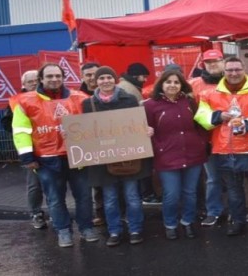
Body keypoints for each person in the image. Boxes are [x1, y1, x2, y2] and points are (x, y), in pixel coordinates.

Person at [11, 63, 99, 247]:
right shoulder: (25, 102)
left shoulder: (80, 98)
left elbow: (95, 124)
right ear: (41, 79)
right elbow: (20, 131)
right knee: (55, 198)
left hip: (78, 158)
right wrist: (28, 157)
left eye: (58, 76)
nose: (54, 79)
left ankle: (86, 227)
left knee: (83, 196)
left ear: (63, 77)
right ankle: (63, 230)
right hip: (46, 160)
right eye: (49, 76)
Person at [195, 57, 248, 236]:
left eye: (237, 70)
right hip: (224, 150)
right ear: (224, 72)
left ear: (244, 70)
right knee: (233, 190)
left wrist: (247, 124)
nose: (233, 73)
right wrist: (217, 116)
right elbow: (201, 115)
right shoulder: (208, 93)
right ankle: (238, 221)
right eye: (230, 70)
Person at [82, 66, 152, 247]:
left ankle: (135, 229)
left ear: (115, 79)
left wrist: (146, 130)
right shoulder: (88, 104)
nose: (106, 81)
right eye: (101, 78)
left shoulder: (128, 99)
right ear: (96, 82)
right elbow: (85, 132)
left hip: (128, 158)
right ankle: (114, 231)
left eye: (109, 77)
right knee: (110, 200)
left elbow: (138, 124)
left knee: (132, 197)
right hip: (103, 161)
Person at [145, 69, 209, 240]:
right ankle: (170, 224)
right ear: (161, 84)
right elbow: (146, 131)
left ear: (181, 85)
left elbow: (201, 125)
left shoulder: (190, 102)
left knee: (190, 192)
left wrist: (201, 143)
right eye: (168, 82)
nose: (172, 85)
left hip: (193, 154)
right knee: (171, 194)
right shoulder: (150, 105)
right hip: (166, 157)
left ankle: (187, 221)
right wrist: (153, 143)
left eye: (176, 82)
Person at [1, 70, 46, 230]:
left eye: (36, 80)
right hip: (30, 148)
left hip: (49, 146)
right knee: (34, 184)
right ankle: (36, 213)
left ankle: (56, 212)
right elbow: (7, 123)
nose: (34, 83)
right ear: (23, 85)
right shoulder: (16, 102)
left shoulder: (48, 97)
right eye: (30, 81)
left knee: (54, 183)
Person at [189, 49, 227, 227]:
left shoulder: (235, 80)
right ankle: (214, 211)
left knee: (235, 176)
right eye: (209, 62)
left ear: (223, 62)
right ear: (203, 64)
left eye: (216, 61)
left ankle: (237, 211)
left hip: (233, 138)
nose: (213, 65)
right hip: (207, 138)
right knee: (213, 178)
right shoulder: (193, 84)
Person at [119, 62, 160, 204]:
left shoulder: (128, 87)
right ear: (136, 76)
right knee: (139, 169)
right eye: (144, 77)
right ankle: (145, 195)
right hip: (132, 136)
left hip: (129, 135)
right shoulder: (129, 90)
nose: (145, 80)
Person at [78, 62, 105, 226]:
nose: (92, 78)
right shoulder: (76, 96)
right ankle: (98, 215)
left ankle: (112, 214)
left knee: (109, 182)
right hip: (88, 146)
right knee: (93, 183)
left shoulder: (110, 92)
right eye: (88, 75)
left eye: (95, 74)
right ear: (82, 77)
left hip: (110, 144)